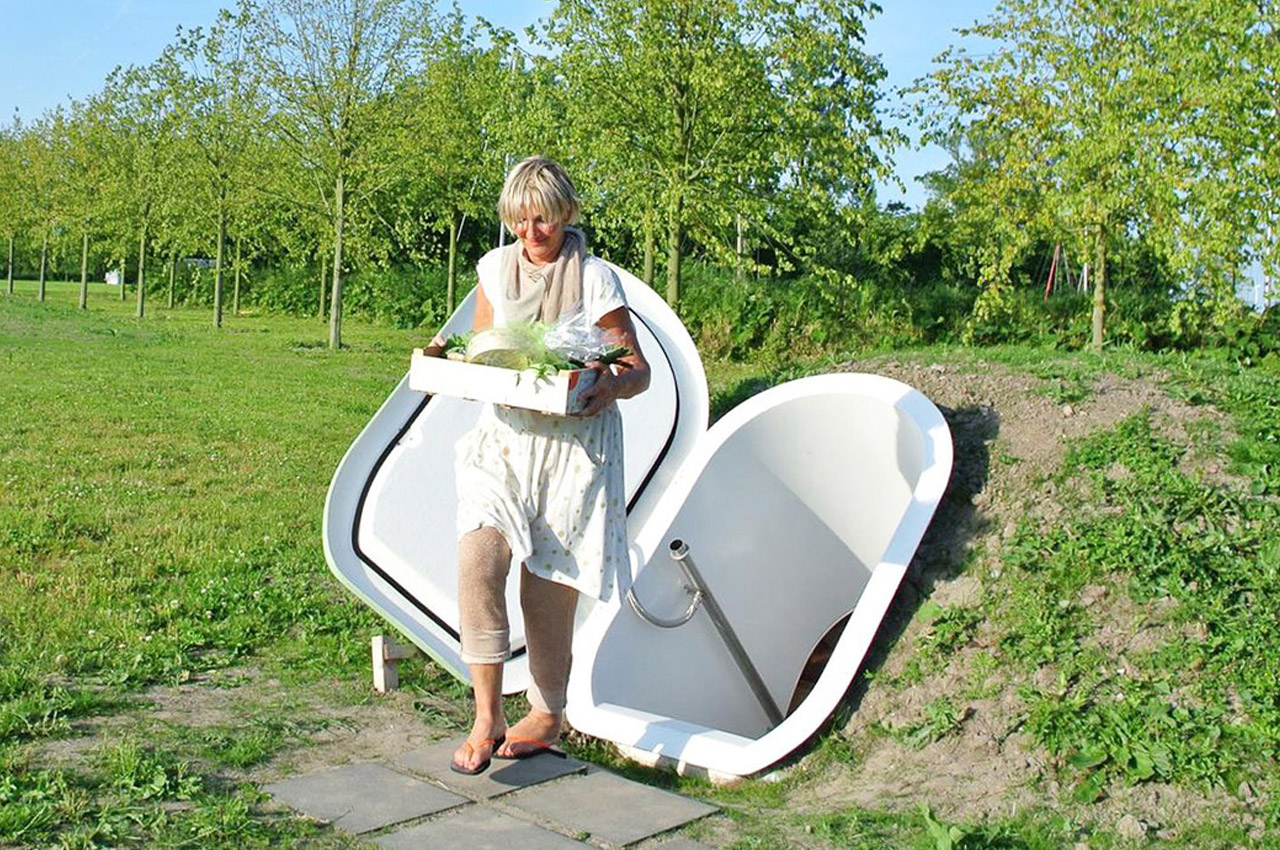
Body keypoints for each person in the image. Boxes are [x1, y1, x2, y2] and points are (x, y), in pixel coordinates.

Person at [429, 156, 650, 775]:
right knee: (479, 558)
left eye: (545, 220)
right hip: (506, 439)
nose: (533, 233)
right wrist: (446, 364)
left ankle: (548, 711)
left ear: (567, 215)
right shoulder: (495, 272)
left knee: (546, 581)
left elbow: (636, 370)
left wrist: (609, 386)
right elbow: (480, 353)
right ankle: (486, 713)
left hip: (573, 446)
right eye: (521, 220)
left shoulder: (596, 278)